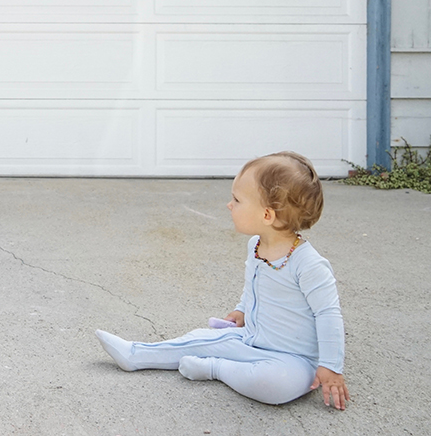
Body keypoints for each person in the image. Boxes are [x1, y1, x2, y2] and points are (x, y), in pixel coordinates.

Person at [95, 151, 349, 409]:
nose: (230, 205)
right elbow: (253, 286)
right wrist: (241, 310)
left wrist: (330, 366)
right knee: (200, 339)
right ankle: (136, 354)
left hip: (294, 360)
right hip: (250, 340)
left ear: (267, 215)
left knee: (276, 384)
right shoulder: (256, 245)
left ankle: (216, 369)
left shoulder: (309, 264)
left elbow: (329, 315)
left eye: (237, 200)